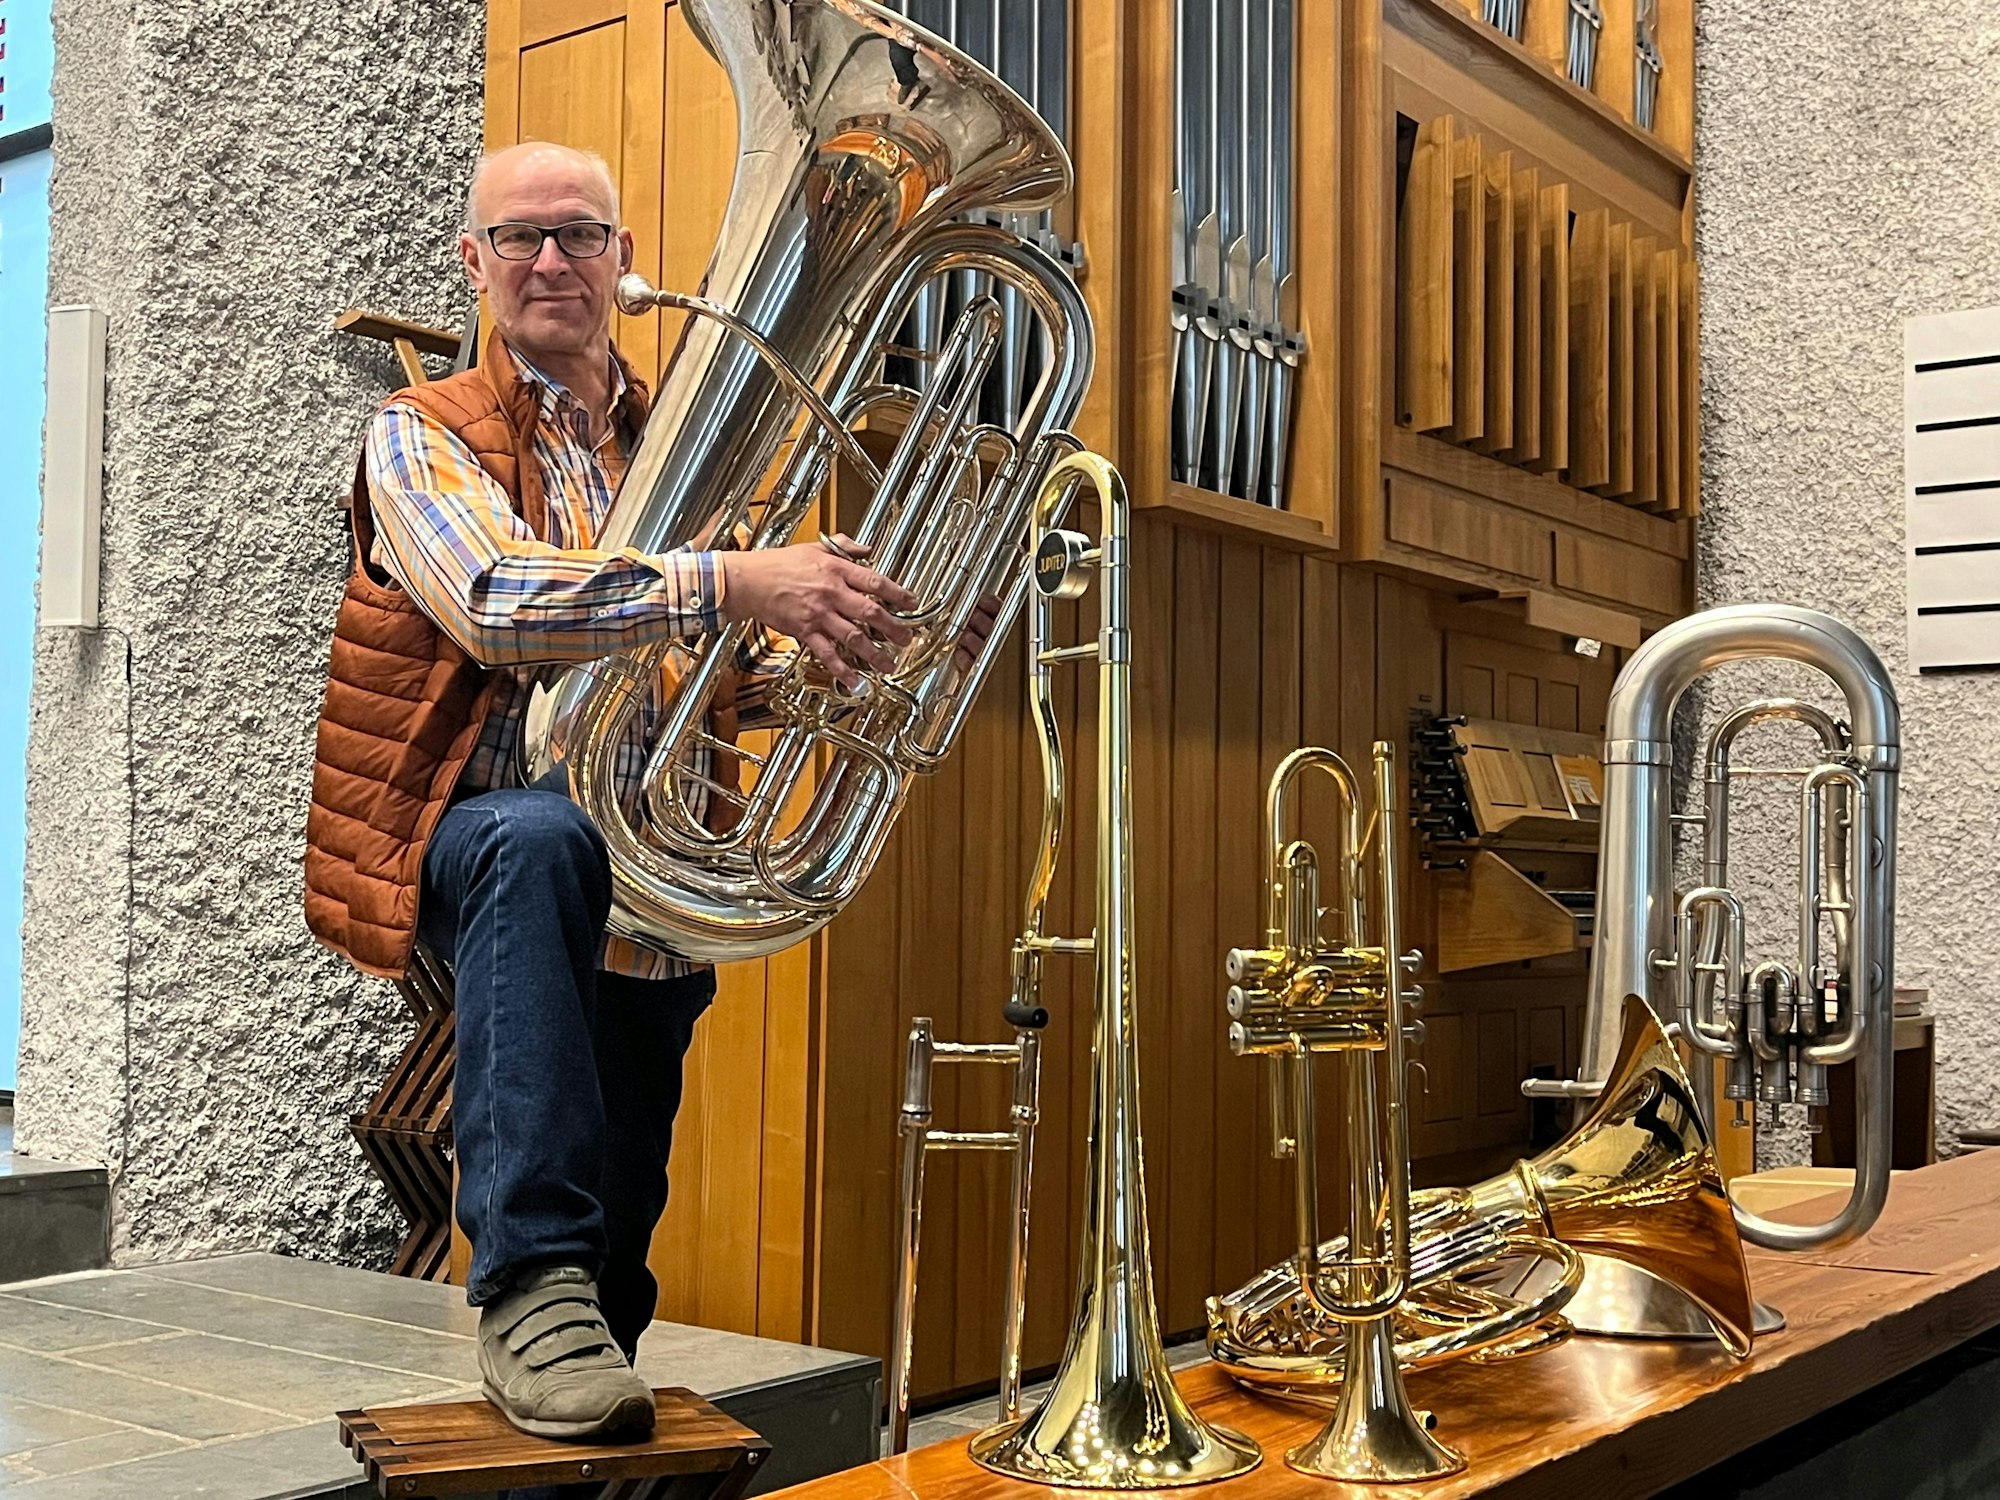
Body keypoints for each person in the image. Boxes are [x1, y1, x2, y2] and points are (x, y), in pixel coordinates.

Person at [303, 141, 994, 1457]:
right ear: (474, 263)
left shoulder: (685, 456)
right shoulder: (419, 433)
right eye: (520, 238)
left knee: (609, 1296)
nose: (551, 261)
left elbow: (723, 674)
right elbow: (497, 608)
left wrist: (860, 643)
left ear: (626, 261)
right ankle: (518, 1279)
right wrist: (735, 584)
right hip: (471, 832)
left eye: (579, 235)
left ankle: (565, 1347)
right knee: (535, 841)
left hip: (638, 883)